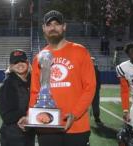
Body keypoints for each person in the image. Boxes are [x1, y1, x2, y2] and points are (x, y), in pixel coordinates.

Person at [18, 10, 96, 146]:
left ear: (64, 27)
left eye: (57, 24)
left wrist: (75, 113)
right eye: (49, 25)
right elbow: (35, 92)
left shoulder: (80, 51)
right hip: (47, 127)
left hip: (76, 126)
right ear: (44, 28)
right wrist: (29, 115)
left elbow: (90, 87)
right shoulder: (39, 58)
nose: (53, 28)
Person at [0, 49, 35, 146]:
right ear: (11, 66)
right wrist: (31, 114)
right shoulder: (8, 85)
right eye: (16, 62)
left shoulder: (32, 81)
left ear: (27, 63)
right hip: (13, 137)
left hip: (28, 134)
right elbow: (7, 116)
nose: (20, 64)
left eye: (22, 61)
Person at [91, 57, 103, 126]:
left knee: (95, 104)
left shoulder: (96, 69)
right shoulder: (85, 68)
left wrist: (98, 88)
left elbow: (98, 80)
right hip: (88, 90)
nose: (92, 61)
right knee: (85, 105)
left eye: (93, 61)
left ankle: (97, 117)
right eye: (91, 60)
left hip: (94, 90)